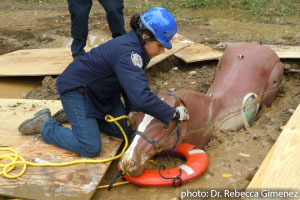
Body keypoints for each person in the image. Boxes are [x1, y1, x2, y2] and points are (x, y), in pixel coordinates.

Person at [18, 7, 189, 158]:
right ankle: (45, 125)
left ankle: (77, 116)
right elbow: (140, 97)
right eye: (160, 45)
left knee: (123, 132)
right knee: (90, 147)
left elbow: (130, 86)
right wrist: (172, 113)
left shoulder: (138, 49)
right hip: (77, 89)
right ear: (145, 36)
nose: (161, 51)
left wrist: (131, 112)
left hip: (100, 91)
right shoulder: (129, 54)